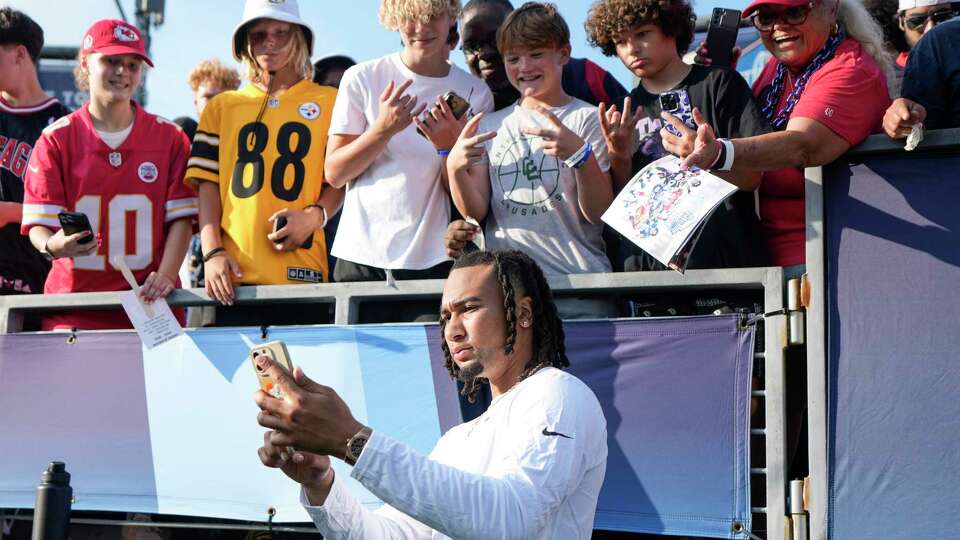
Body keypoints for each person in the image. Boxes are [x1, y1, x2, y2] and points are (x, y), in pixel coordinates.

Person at [255, 249, 607, 540]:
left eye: (468, 308)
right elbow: (385, 535)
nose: (453, 330)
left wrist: (350, 439)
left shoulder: (560, 394)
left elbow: (508, 521)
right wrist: (321, 484)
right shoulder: (457, 440)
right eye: (445, 316)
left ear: (524, 313)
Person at [686, 0, 891, 274]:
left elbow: (803, 146)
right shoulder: (779, 68)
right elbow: (760, 133)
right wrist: (722, 84)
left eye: (794, 12)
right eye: (766, 17)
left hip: (831, 267)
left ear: (831, 9)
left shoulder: (851, 70)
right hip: (769, 265)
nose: (779, 27)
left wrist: (720, 154)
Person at [21, 18, 196, 331]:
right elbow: (39, 224)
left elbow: (181, 219)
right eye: (112, 61)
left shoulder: (170, 138)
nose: (122, 72)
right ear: (86, 64)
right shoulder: (56, 138)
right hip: (73, 306)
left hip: (149, 304)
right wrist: (54, 245)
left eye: (132, 64)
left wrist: (168, 274)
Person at [324, 0, 493, 322]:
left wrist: (447, 149)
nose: (422, 27)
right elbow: (335, 173)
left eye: (433, 15)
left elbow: (470, 203)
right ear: (394, 20)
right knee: (357, 372)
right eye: (411, 18)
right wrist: (382, 130)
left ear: (451, 16)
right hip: (360, 257)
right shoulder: (361, 77)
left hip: (434, 260)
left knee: (431, 370)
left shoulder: (474, 91)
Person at [447, 2, 617, 319]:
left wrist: (580, 156)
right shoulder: (488, 125)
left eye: (536, 54)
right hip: (507, 295)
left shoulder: (587, 118)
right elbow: (476, 210)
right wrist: (454, 168)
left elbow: (598, 213)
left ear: (563, 54)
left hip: (582, 290)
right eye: (513, 58)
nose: (524, 66)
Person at [185, 0, 342, 326]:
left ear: (299, 37)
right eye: (258, 35)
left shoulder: (331, 101)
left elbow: (340, 180)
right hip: (231, 279)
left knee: (299, 376)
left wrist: (313, 219)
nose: (269, 41)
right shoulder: (221, 107)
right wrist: (212, 253)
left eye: (281, 32)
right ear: (244, 43)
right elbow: (208, 187)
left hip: (303, 275)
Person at [584, 0, 771, 272]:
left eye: (642, 34)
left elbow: (753, 178)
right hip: (648, 278)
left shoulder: (719, 83)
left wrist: (706, 157)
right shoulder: (622, 109)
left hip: (725, 270)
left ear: (671, 28)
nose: (632, 49)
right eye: (620, 41)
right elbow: (622, 205)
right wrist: (619, 156)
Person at [0, 7, 70, 299]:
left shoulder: (65, 125)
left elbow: (77, 210)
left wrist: (14, 212)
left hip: (36, 283)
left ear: (19, 55)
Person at [883, 18, 960, 138]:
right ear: (901, 21)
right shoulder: (939, 41)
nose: (929, 27)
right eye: (917, 20)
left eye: (942, 15)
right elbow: (918, 130)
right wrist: (902, 119)